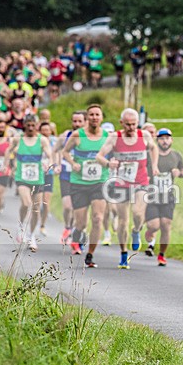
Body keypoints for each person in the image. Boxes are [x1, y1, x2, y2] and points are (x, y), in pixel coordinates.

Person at [96, 108, 159, 269]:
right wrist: (109, 163)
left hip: (141, 181)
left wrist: (155, 166)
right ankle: (124, 253)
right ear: (121, 123)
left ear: (138, 123)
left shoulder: (143, 135)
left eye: (134, 124)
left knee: (138, 214)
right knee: (122, 221)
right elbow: (99, 156)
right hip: (122, 183)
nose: (131, 128)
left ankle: (136, 230)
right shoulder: (115, 137)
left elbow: (153, 148)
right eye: (128, 125)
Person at [62, 104, 109, 268]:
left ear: (102, 117)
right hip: (79, 183)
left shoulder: (107, 136)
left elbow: (115, 154)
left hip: (99, 182)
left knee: (98, 218)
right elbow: (65, 152)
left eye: (98, 114)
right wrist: (73, 163)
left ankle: (90, 254)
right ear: (87, 117)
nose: (95, 117)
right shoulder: (78, 135)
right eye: (92, 115)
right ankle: (77, 234)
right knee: (81, 223)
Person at [143, 128, 183, 265]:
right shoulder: (150, 154)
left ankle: (162, 254)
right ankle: (150, 231)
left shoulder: (176, 155)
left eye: (167, 138)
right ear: (157, 140)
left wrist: (178, 173)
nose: (165, 141)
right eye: (162, 138)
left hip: (168, 195)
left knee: (166, 225)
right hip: (151, 195)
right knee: (154, 225)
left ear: (171, 140)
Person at [8, 115, 52, 251]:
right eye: (28, 125)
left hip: (37, 178)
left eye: (33, 125)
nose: (31, 128)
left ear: (37, 125)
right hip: (22, 177)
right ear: (24, 125)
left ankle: (31, 235)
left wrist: (48, 164)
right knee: (26, 203)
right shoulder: (18, 139)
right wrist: (7, 165)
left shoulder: (42, 140)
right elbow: (7, 151)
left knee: (36, 210)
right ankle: (21, 225)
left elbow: (49, 155)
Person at [55, 111, 86, 244]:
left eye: (80, 121)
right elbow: (55, 149)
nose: (77, 124)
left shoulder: (88, 137)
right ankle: (67, 227)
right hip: (66, 175)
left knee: (77, 208)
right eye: (75, 121)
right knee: (68, 206)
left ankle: (75, 230)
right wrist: (56, 164)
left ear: (85, 122)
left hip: (82, 177)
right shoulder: (65, 136)